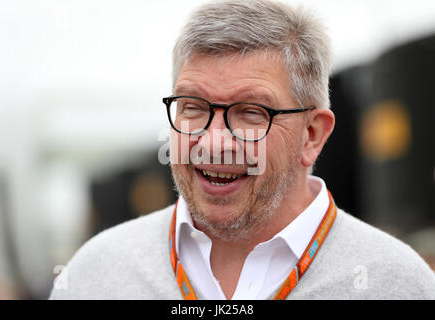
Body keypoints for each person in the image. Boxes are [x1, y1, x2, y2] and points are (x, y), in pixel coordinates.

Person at [50, 0, 435, 300]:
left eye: (251, 112)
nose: (214, 142)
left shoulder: (396, 282)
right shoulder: (96, 274)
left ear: (312, 135)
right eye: (194, 108)